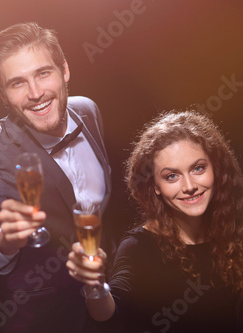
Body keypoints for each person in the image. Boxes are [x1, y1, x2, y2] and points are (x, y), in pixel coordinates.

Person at [0, 22, 112, 332]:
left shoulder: (88, 110)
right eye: (17, 83)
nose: (35, 93)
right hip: (40, 319)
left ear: (65, 71)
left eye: (43, 73)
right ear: (3, 95)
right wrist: (3, 240)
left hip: (103, 301)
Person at [67, 110, 243, 332]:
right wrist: (94, 285)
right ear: (156, 187)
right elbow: (109, 314)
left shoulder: (234, 231)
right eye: (172, 176)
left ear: (215, 168)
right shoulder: (139, 247)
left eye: (198, 168)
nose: (189, 186)